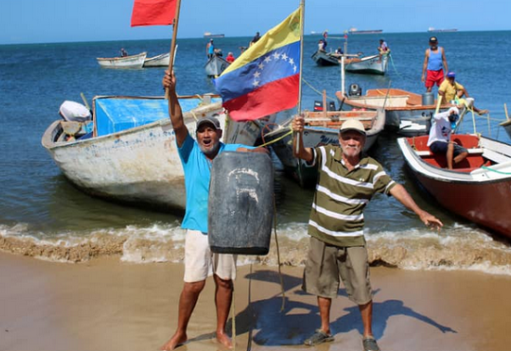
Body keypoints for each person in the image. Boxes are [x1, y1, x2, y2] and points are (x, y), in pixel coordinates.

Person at [291, 117, 443, 350]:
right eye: (347, 137)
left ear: (363, 140)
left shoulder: (372, 168)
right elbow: (300, 153)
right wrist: (297, 133)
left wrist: (420, 212)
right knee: (323, 286)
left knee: (362, 288)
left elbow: (396, 188)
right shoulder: (327, 155)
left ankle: (368, 336)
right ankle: (324, 330)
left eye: (357, 137)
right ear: (340, 139)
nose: (351, 141)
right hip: (321, 236)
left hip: (352, 239)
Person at [160, 70, 266, 351]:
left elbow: (262, 153)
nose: (206, 135)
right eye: (202, 131)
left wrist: (253, 154)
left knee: (225, 282)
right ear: (198, 136)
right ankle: (180, 332)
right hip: (198, 228)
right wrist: (171, 92)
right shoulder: (190, 152)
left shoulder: (230, 149)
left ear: (219, 133)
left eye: (211, 130)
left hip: (228, 229)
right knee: (193, 285)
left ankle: (221, 330)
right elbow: (176, 121)